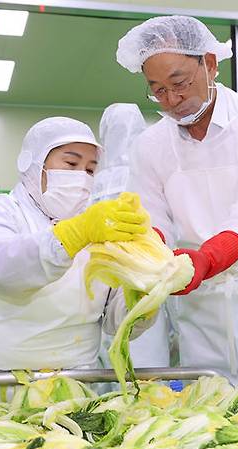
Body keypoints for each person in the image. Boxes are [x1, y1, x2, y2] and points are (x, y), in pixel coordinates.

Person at [116, 16, 238, 384]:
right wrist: (152, 254)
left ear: (210, 64)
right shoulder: (150, 145)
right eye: (157, 90)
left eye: (179, 83)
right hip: (201, 318)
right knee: (214, 423)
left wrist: (205, 260)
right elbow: (151, 220)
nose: (171, 100)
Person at [0, 116, 152, 387]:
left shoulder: (96, 230)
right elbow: (1, 268)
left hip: (75, 384)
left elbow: (115, 320)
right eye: (71, 164)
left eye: (91, 169)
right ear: (32, 163)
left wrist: (145, 295)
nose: (82, 177)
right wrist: (73, 236)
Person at [94, 103, 170, 370]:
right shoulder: (151, 178)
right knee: (145, 376)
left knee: (106, 376)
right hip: (140, 286)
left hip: (103, 286)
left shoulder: (92, 181)